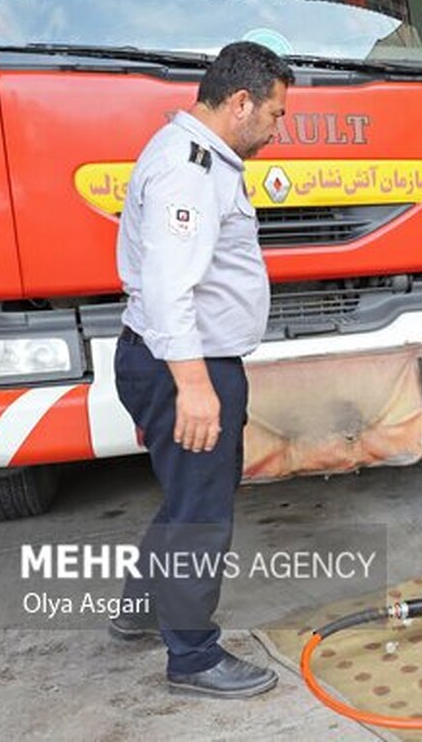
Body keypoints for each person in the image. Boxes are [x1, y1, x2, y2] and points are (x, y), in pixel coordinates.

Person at [108, 41, 293, 697]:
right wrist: (195, 386)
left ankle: (137, 607)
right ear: (240, 103)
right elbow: (165, 287)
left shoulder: (204, 159)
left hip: (183, 359)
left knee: (188, 497)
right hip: (185, 365)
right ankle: (192, 654)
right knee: (202, 512)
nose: (278, 129)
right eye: (274, 115)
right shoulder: (190, 169)